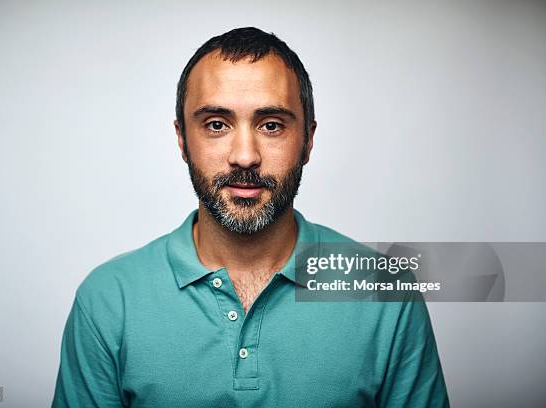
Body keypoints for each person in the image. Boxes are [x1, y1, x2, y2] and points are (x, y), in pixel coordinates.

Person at [52, 27, 449, 407]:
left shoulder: (386, 292)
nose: (245, 156)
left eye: (271, 125)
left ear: (308, 140)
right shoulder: (108, 300)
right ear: (182, 140)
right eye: (217, 125)